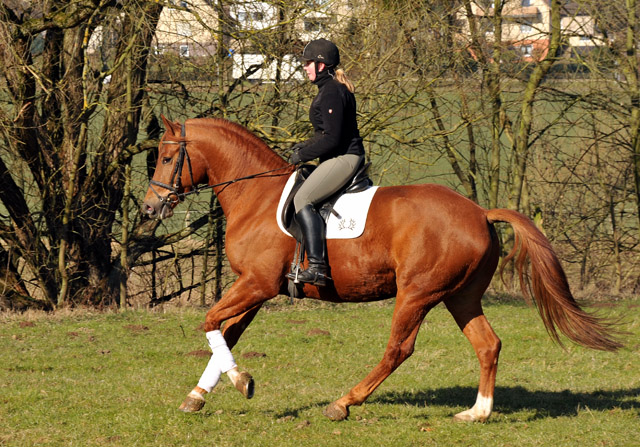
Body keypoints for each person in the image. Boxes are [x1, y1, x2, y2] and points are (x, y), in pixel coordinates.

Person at [286, 38, 366, 287]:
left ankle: (318, 268)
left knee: (302, 199)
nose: (305, 68)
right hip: (337, 156)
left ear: (321, 65)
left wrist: (303, 155)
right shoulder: (329, 89)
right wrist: (304, 147)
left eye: (308, 63)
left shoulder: (332, 91)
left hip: (345, 157)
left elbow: (332, 139)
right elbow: (324, 134)